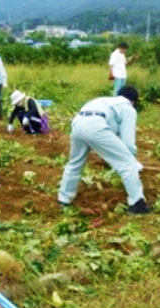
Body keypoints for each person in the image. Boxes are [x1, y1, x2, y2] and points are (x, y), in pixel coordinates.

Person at [57, 86, 152, 215]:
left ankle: (64, 199)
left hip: (78, 123)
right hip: (96, 125)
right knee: (127, 162)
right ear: (134, 101)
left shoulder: (105, 101)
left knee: (75, 163)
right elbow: (128, 143)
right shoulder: (129, 108)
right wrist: (133, 159)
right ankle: (137, 204)